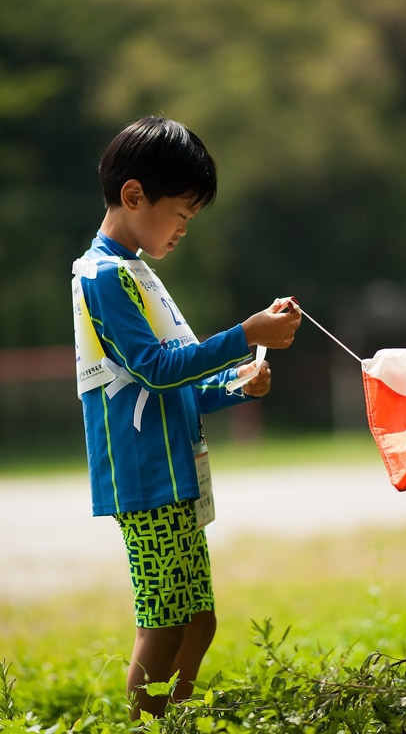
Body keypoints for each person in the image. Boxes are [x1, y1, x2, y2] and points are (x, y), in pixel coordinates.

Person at [71, 115, 301, 719]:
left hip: (174, 474)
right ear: (133, 195)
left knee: (199, 623)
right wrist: (244, 335)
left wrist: (236, 386)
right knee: (164, 627)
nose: (182, 230)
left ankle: (174, 720)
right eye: (181, 214)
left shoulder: (138, 274)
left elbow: (176, 388)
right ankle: (146, 724)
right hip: (145, 481)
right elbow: (153, 368)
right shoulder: (103, 276)